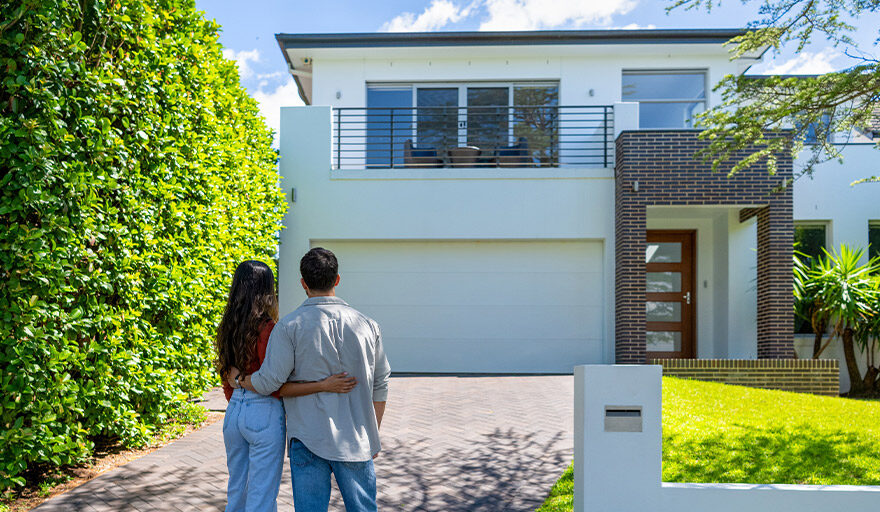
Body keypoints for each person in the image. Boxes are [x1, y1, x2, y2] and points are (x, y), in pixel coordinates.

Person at [231, 248, 391, 512]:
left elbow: (269, 382)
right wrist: (372, 433)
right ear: (337, 280)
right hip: (356, 439)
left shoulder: (288, 327)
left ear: (303, 283)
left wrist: (240, 379)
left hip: (306, 439)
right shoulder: (368, 325)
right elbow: (381, 383)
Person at [216, 260, 357, 512]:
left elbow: (226, 375)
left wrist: (238, 391)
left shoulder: (227, 326)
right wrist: (323, 384)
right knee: (262, 495)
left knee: (237, 491)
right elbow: (273, 383)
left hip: (234, 411)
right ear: (267, 289)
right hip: (263, 412)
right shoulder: (268, 328)